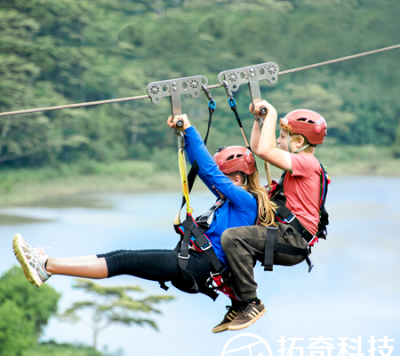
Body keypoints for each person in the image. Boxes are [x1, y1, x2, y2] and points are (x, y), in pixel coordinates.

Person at [12, 114, 276, 333]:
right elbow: (202, 169)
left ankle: (46, 266)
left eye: (225, 179)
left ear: (239, 179)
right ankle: (47, 266)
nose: (217, 186)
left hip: (196, 267)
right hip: (191, 262)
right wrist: (184, 135)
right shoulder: (230, 200)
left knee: (124, 260)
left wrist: (192, 129)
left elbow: (210, 172)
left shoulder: (245, 202)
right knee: (120, 257)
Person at [220, 100, 328, 331]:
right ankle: (237, 300)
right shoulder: (302, 164)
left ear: (299, 141)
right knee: (232, 235)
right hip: (287, 235)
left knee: (233, 237)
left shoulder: (306, 163)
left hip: (291, 239)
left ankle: (251, 302)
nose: (278, 140)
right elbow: (260, 149)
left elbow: (265, 151)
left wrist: (272, 114)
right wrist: (260, 121)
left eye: (282, 136)